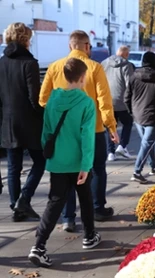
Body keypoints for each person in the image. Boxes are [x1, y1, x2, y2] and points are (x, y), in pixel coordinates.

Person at [40, 30, 118, 231]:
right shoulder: (95, 67)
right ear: (86, 46)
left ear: (69, 46)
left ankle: (68, 217)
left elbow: (42, 99)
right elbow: (103, 99)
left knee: (67, 171)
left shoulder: (55, 67)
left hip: (65, 131)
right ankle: (97, 208)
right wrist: (111, 126)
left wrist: (58, 113)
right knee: (97, 168)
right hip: (94, 128)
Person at [28, 58, 101, 268]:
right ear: (81, 78)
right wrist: (86, 165)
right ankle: (89, 236)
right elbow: (87, 137)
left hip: (58, 160)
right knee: (86, 198)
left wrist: (50, 153)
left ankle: (39, 245)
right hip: (78, 162)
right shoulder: (86, 102)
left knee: (55, 202)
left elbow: (46, 131)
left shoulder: (52, 99)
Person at [0, 22, 45, 222]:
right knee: (40, 161)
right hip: (29, 121)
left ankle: (15, 208)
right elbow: (34, 98)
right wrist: (44, 115)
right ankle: (24, 199)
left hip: (7, 121)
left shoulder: (1, 62)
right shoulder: (29, 63)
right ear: (25, 39)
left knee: (13, 167)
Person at [126, 52, 155, 184]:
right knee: (147, 143)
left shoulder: (133, 76)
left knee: (147, 142)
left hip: (138, 115)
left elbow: (126, 97)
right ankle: (137, 171)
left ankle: (153, 166)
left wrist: (132, 112)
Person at [101, 45, 134, 161]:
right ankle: (122, 146)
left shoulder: (104, 63)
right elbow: (129, 85)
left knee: (110, 126)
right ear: (126, 54)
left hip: (107, 100)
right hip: (122, 101)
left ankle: (110, 152)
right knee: (128, 123)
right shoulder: (127, 65)